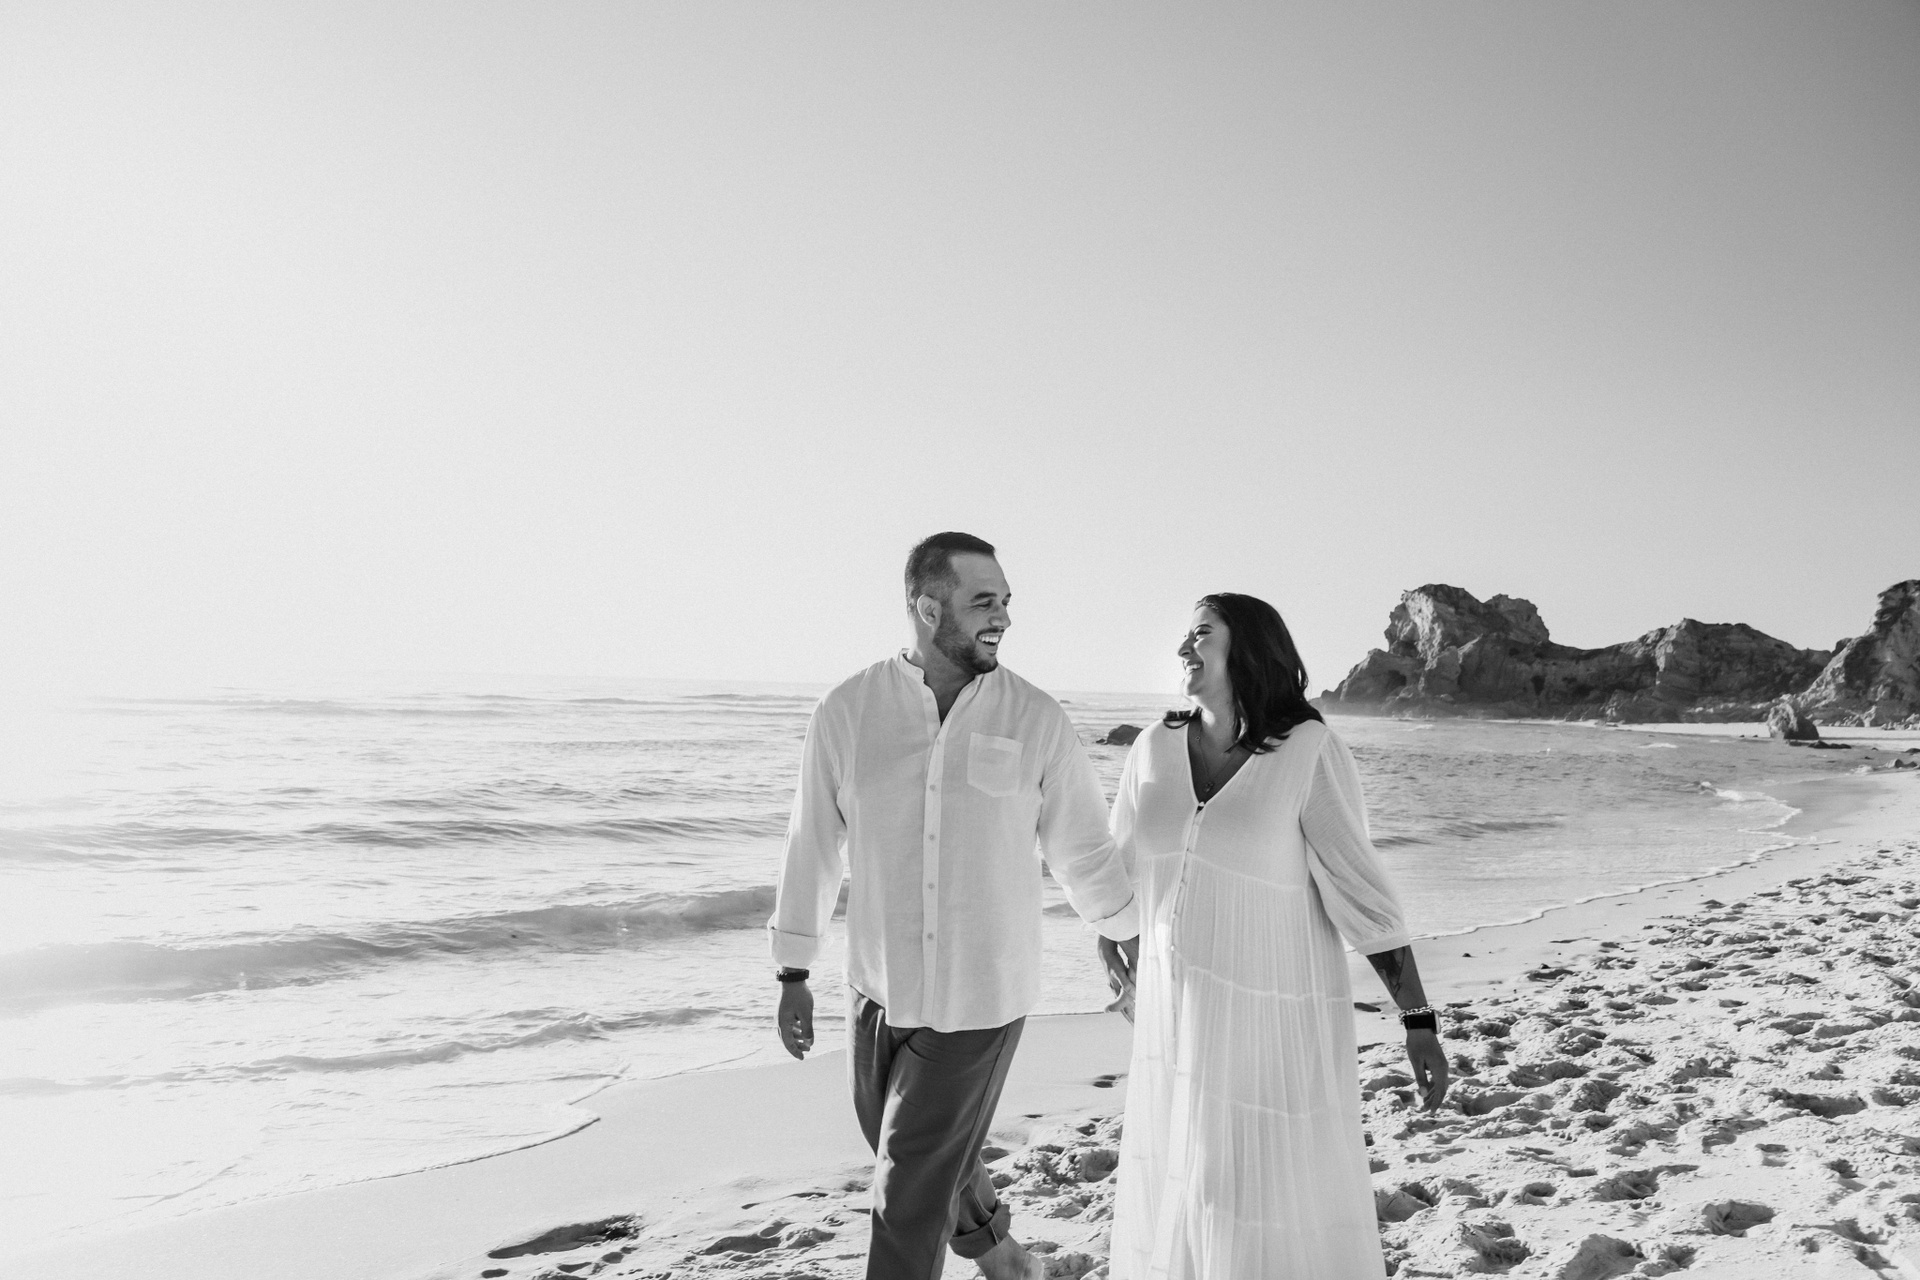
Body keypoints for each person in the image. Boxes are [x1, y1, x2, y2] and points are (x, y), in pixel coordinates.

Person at [769, 531, 1142, 1280]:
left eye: (1005, 601)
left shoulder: (1035, 717)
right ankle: (1005, 1260)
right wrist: (792, 970)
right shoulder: (848, 710)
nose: (1002, 617)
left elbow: (1081, 849)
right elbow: (813, 842)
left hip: (980, 998)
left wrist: (1130, 937)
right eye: (983, 602)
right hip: (877, 986)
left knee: (906, 1186)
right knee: (918, 1152)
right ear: (928, 609)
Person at [1102, 592, 1449, 1279]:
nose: (1184, 647)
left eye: (1202, 633)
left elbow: (1363, 896)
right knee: (1183, 1180)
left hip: (1268, 1016)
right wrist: (1110, 942)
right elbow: (1118, 870)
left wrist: (1417, 1020)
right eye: (1186, 635)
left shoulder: (1308, 751)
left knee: (1247, 1190)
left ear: (1249, 649)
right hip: (1177, 1016)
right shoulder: (1152, 748)